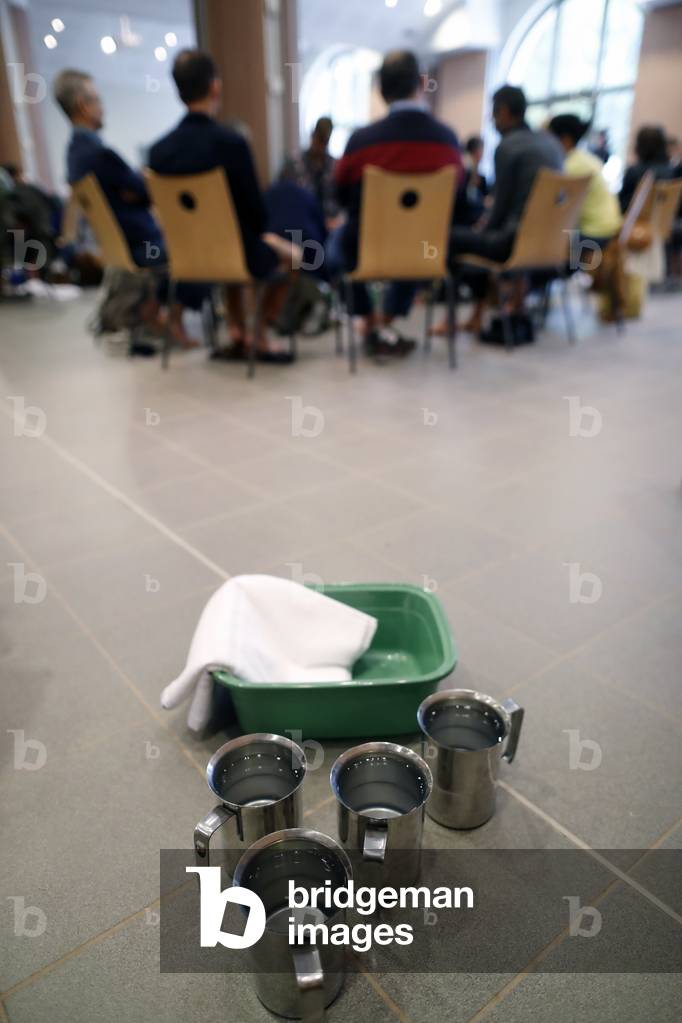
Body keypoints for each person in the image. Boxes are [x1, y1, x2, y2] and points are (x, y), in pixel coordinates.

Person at [149, 49, 301, 362]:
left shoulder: (158, 153)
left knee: (237, 248)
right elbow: (256, 216)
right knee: (296, 257)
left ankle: (236, 331)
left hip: (186, 257)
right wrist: (264, 235)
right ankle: (258, 332)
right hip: (234, 252)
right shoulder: (231, 143)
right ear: (215, 87)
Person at [52, 68, 199, 347]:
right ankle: (166, 316)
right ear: (83, 106)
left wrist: (137, 191)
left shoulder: (75, 155)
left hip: (121, 247)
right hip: (143, 246)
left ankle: (153, 311)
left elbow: (138, 192)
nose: (102, 106)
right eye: (97, 99)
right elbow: (147, 192)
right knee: (201, 249)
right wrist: (141, 188)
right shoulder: (100, 154)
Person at [330, 49, 463, 357]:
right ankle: (384, 319)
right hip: (425, 252)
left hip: (367, 247)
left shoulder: (361, 141)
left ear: (380, 90)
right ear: (421, 83)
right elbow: (455, 200)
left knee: (334, 247)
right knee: (422, 237)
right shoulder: (448, 140)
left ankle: (369, 319)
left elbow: (340, 196)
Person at [448, 85, 564, 336]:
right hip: (550, 245)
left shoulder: (508, 146)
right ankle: (483, 314)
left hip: (513, 245)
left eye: (494, 112)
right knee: (475, 235)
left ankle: (458, 318)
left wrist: (479, 230)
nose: (492, 119)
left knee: (449, 238)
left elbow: (499, 213)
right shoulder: (553, 145)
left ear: (504, 111)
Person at [548, 114, 621, 244]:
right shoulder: (586, 159)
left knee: (546, 241)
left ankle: (575, 265)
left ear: (565, 139)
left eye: (549, 138)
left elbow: (554, 207)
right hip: (610, 226)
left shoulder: (570, 166)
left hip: (592, 233)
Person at [281, 116, 339, 227]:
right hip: (302, 222)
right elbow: (284, 197)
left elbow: (340, 201)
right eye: (319, 139)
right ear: (313, 135)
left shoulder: (334, 166)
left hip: (330, 223)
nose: (322, 145)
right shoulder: (294, 165)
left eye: (325, 141)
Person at [619, 125, 675, 213]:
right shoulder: (672, 171)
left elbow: (622, 205)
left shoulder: (634, 172)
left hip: (636, 222)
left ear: (640, 146)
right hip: (662, 223)